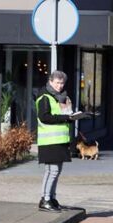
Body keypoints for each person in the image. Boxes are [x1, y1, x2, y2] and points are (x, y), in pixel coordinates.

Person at [35, 71, 74, 212]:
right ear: (50, 81)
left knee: (55, 171)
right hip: (49, 140)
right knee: (53, 170)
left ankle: (51, 198)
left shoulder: (61, 97)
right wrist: (66, 118)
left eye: (62, 83)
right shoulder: (45, 97)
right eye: (57, 83)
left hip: (60, 140)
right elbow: (44, 117)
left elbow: (64, 114)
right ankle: (45, 199)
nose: (59, 86)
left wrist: (73, 116)